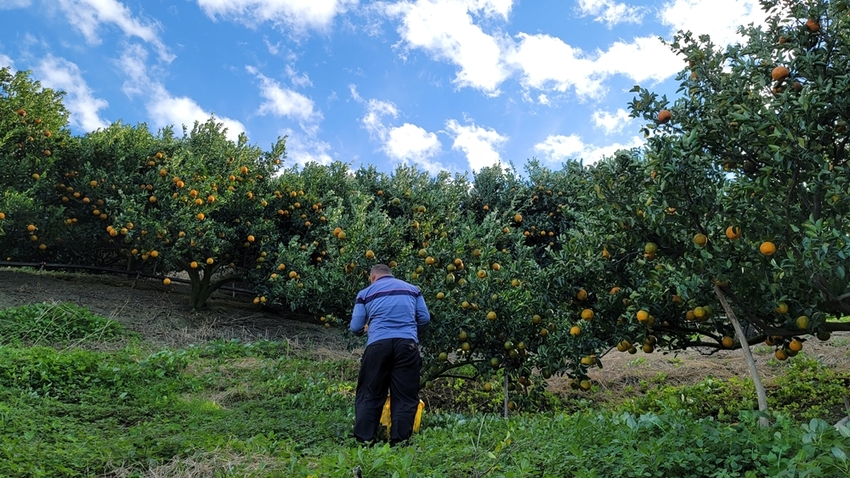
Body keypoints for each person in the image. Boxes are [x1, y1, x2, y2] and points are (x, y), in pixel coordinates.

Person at [350, 263, 430, 445]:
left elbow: (355, 327)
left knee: (370, 392)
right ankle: (400, 441)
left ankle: (364, 439)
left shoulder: (365, 293)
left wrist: (365, 331)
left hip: (377, 345)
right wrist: (410, 331)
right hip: (407, 346)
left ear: (373, 277)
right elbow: (424, 318)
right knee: (405, 395)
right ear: (391, 275)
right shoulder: (412, 290)